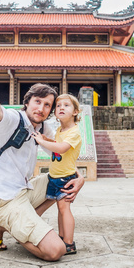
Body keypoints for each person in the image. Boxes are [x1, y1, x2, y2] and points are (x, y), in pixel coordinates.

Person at [0, 63, 85, 261]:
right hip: (3, 200)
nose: (41, 108)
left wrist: (80, 177)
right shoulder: (13, 119)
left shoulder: (42, 128)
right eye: (37, 101)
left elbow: (63, 153)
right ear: (28, 101)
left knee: (61, 184)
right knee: (55, 250)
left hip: (23, 191)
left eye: (47, 105)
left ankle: (9, 225)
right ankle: (8, 225)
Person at [32, 94, 82, 255]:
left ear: (75, 112)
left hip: (65, 178)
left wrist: (41, 141)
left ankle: (69, 242)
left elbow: (62, 148)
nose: (61, 108)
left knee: (64, 209)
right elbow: (57, 144)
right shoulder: (61, 130)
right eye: (58, 105)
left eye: (66, 105)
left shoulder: (74, 132)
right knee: (61, 210)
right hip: (55, 176)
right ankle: (62, 237)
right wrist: (48, 139)